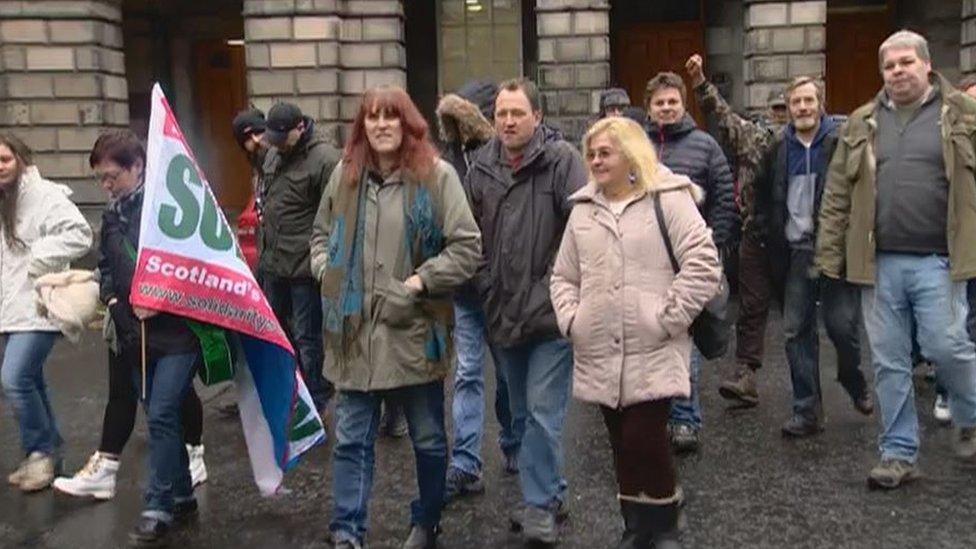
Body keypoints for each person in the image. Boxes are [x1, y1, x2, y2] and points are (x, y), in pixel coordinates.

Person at [311, 86, 480, 549]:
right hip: (354, 333)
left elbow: (467, 247)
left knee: (426, 438)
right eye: (372, 117)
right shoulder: (343, 177)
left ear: (409, 124)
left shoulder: (436, 176)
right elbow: (320, 237)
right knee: (350, 440)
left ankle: (426, 520)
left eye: (392, 117)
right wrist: (328, 271)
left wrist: (421, 282)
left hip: (413, 332)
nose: (381, 125)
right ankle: (347, 530)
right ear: (362, 126)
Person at [816, 30, 976, 489]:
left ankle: (968, 410)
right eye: (889, 65)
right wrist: (830, 256)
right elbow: (837, 195)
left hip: (940, 261)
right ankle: (898, 452)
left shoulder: (963, 115)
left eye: (906, 62)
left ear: (927, 65)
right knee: (888, 361)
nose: (898, 71)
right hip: (878, 263)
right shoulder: (862, 122)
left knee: (947, 346)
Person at [552, 116, 721, 549]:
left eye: (604, 152)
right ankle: (634, 524)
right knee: (619, 443)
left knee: (643, 438)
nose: (594, 160)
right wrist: (574, 319)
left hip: (653, 345)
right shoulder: (584, 210)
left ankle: (663, 524)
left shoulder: (668, 198)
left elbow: (703, 263)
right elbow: (563, 276)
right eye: (591, 154)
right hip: (598, 348)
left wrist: (667, 317)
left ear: (631, 154)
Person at [464, 77, 587, 544]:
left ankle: (538, 508)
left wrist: (552, 286)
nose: (509, 121)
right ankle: (551, 493)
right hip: (502, 312)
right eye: (502, 114)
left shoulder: (562, 162)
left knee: (541, 411)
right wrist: (485, 280)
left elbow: (581, 230)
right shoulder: (481, 168)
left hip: (549, 315)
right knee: (519, 414)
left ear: (537, 116)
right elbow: (469, 236)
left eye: (518, 113)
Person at [83, 129, 201, 545]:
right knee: (159, 410)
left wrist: (162, 299)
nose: (106, 185)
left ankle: (158, 504)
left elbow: (198, 268)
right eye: (101, 178)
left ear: (138, 167)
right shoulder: (112, 215)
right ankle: (184, 494)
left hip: (179, 334)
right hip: (136, 336)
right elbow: (107, 269)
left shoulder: (170, 210)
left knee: (163, 412)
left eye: (113, 175)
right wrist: (114, 301)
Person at [753, 76, 872, 437]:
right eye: (796, 102)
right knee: (795, 331)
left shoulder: (839, 141)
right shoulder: (777, 148)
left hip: (833, 250)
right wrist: (764, 231)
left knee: (841, 326)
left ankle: (854, 381)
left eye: (809, 101)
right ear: (788, 108)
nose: (803, 108)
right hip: (795, 253)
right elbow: (762, 194)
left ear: (820, 103)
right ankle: (807, 410)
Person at [437, 80, 523, 500]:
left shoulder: (505, 157)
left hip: (502, 288)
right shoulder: (448, 160)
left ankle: (513, 444)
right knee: (468, 373)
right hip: (466, 291)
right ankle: (466, 462)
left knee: (507, 375)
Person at [644, 71, 737, 453]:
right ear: (649, 108)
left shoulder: (705, 145)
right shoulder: (637, 144)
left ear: (683, 104)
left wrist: (712, 248)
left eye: (672, 102)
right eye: (659, 103)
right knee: (649, 337)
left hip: (688, 261)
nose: (666, 108)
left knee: (683, 339)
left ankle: (685, 417)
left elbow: (724, 198)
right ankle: (653, 415)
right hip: (645, 260)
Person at [686, 54, 786, 407]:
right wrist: (699, 83)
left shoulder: (825, 139)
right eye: (778, 108)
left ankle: (822, 388)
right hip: (757, 234)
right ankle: (746, 374)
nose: (783, 113)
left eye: (788, 107)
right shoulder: (756, 139)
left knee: (808, 319)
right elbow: (721, 114)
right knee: (753, 308)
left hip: (800, 241)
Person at [0, 133, 92, 493]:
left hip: (38, 303)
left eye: (4, 159)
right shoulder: (4, 200)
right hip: (8, 306)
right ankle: (48, 452)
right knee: (30, 380)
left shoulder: (46, 195)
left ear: (21, 158)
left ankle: (39, 452)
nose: (0, 167)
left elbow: (80, 234)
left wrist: (38, 256)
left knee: (14, 378)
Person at [259, 102, 339, 414]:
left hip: (305, 267)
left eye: (282, 137)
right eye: (272, 138)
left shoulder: (326, 159)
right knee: (277, 331)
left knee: (308, 336)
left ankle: (317, 397)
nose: (276, 144)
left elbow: (335, 215)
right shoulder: (274, 153)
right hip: (274, 263)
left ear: (300, 128)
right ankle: (292, 388)